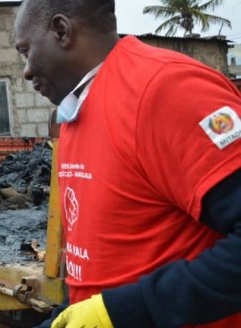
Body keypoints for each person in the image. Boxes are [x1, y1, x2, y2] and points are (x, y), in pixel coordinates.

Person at [14, 1, 241, 327]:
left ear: (62, 31)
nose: (26, 71)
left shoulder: (167, 90)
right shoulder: (75, 115)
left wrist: (125, 310)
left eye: (26, 52)